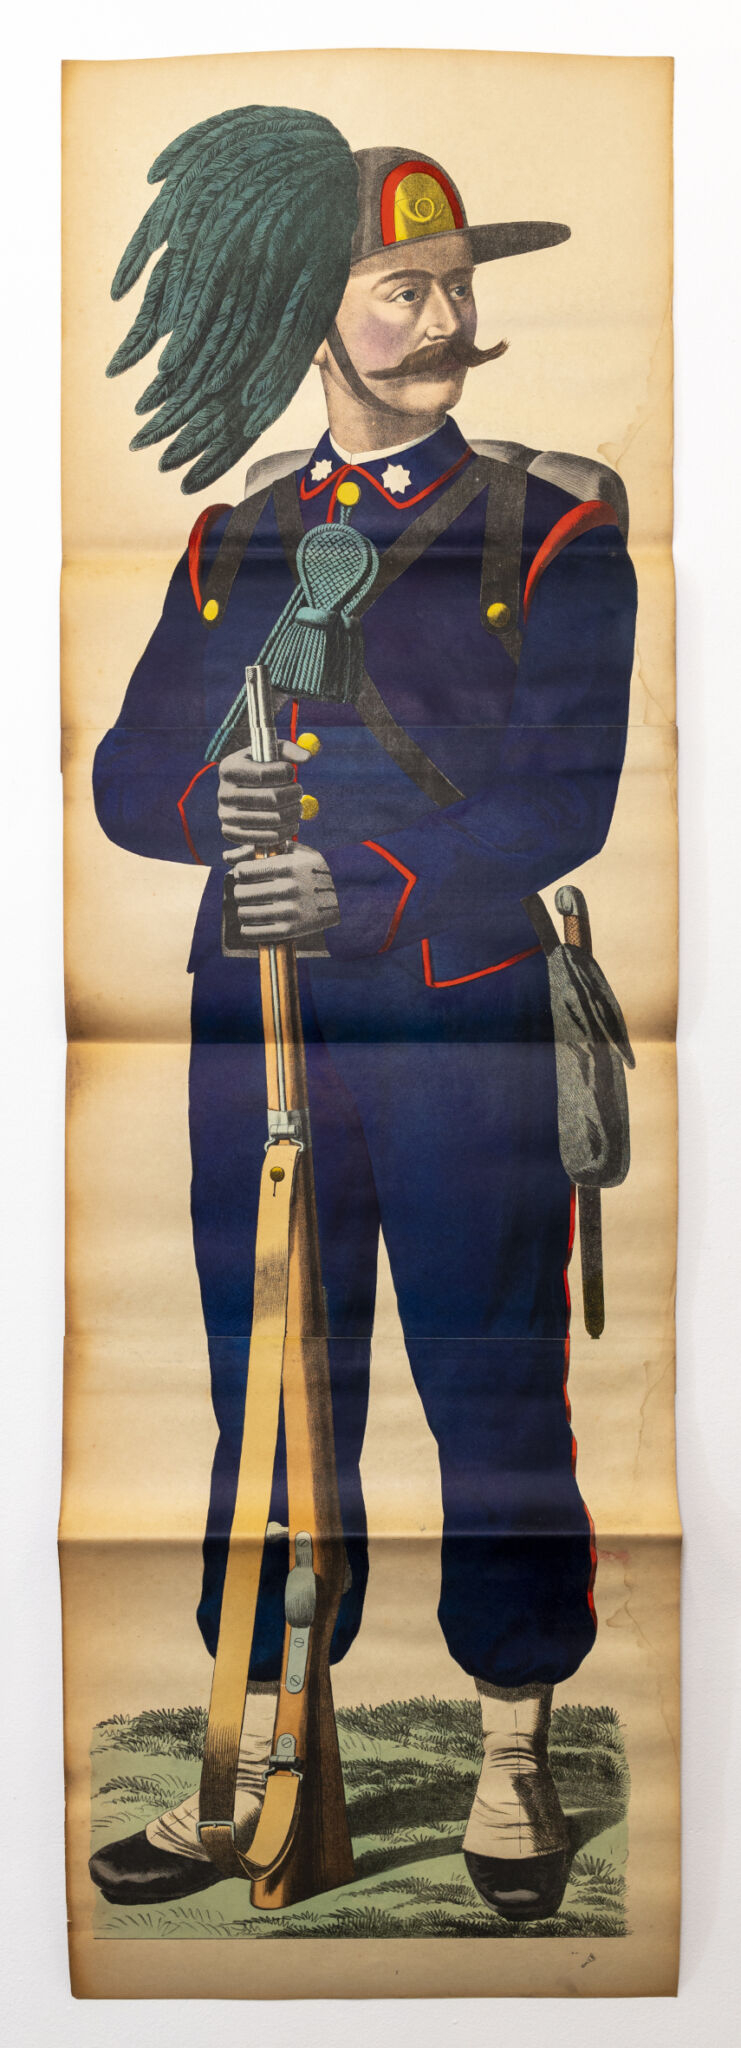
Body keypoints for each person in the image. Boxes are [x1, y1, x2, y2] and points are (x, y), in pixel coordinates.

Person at [89, 108, 637, 1919]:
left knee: (490, 1380)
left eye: (453, 286)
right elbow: (127, 779)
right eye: (403, 287)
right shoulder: (234, 535)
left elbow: (561, 803)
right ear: (308, 311)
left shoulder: (554, 531)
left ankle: (509, 1751)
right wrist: (213, 811)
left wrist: (371, 886)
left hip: (462, 1029)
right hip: (258, 1026)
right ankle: (258, 1745)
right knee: (264, 1382)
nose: (443, 318)